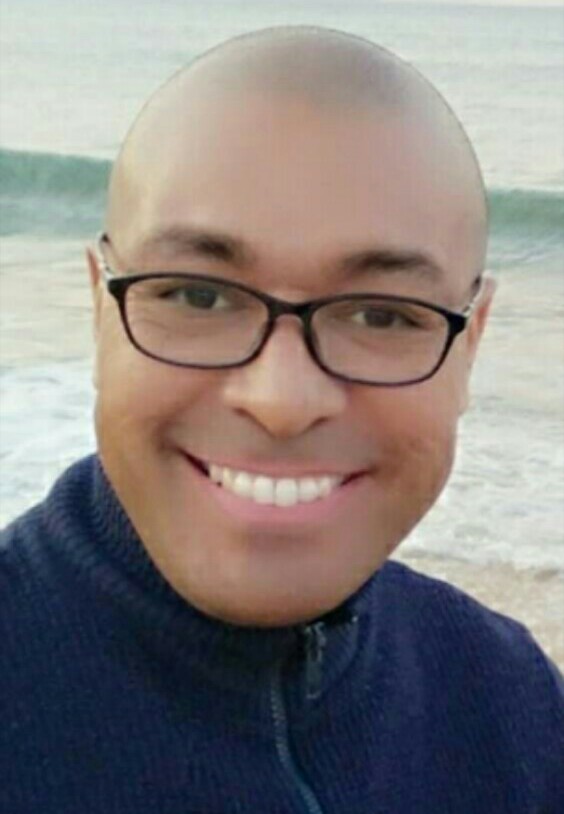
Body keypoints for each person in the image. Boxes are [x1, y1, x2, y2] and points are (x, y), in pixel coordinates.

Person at [1, 25, 562, 814]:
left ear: (469, 346)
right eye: (198, 296)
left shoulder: (510, 707)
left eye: (381, 314)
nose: (282, 401)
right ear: (101, 310)